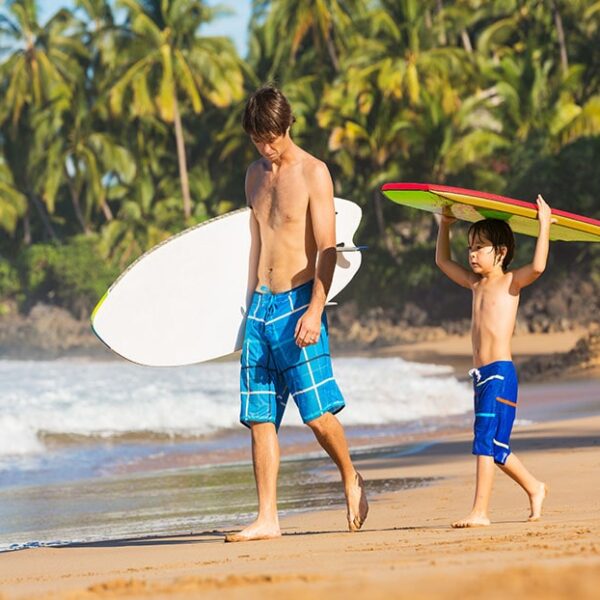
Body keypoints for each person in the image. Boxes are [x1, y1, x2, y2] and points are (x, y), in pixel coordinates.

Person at [225, 85, 368, 543]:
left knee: (317, 415)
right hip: (262, 307)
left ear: (287, 126)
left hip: (299, 301)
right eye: (257, 140)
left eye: (271, 138)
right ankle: (268, 517)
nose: (265, 148)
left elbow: (327, 246)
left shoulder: (313, 173)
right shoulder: (253, 175)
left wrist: (315, 308)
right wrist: (247, 308)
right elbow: (253, 244)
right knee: (259, 416)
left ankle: (350, 475)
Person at [435, 195, 552, 528]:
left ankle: (480, 511)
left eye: (480, 247)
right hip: (481, 375)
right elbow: (443, 262)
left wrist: (544, 225)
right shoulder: (475, 284)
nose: (471, 254)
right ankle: (535, 487)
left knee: (484, 440)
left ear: (500, 252)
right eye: (470, 247)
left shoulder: (510, 282)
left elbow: (540, 266)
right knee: (497, 447)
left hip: (500, 373)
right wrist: (444, 227)